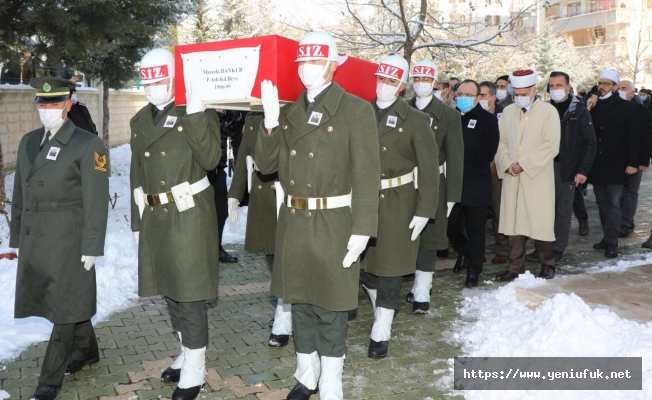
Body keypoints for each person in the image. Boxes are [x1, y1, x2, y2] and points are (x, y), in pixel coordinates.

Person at [256, 31, 380, 400]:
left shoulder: (356, 110)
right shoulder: (291, 110)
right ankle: (306, 375)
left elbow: (367, 175)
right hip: (294, 221)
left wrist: (363, 229)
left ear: (332, 65)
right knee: (300, 303)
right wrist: (269, 122)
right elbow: (265, 166)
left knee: (331, 308)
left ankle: (330, 380)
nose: (305, 69)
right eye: (301, 63)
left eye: (314, 62)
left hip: (334, 222)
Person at [130, 48, 221, 400]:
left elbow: (211, 159)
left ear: (174, 79)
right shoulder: (140, 120)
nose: (153, 88)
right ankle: (186, 353)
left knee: (191, 295)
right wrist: (138, 221)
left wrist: (197, 114)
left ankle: (196, 370)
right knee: (171, 291)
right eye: (147, 81)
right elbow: (138, 173)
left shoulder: (196, 112)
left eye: (160, 80)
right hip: (156, 215)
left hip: (189, 216)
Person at [10, 76, 109, 400]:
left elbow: (96, 198)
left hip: (69, 236)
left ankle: (49, 378)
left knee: (64, 304)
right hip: (38, 237)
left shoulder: (86, 143)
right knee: (70, 301)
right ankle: (86, 350)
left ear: (68, 104)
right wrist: (17, 236)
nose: (47, 108)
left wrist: (93, 244)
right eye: (42, 102)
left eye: (54, 103)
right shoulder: (27, 142)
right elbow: (21, 193)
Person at [360, 55, 438, 359]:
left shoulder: (416, 120)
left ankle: (383, 324)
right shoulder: (360, 113)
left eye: (391, 81)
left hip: (398, 201)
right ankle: (382, 304)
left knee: (390, 267)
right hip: (363, 198)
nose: (384, 86)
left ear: (402, 86)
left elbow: (429, 170)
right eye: (381, 79)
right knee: (364, 266)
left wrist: (424, 209)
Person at [405, 59, 463, 313]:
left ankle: (421, 290)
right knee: (404, 235)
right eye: (416, 79)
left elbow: (455, 156)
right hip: (405, 183)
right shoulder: (401, 109)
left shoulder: (449, 115)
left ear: (435, 84)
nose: (420, 84)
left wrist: (452, 195)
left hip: (434, 182)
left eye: (425, 80)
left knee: (428, 238)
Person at [226, 113, 289, 348]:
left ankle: (286, 313)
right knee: (273, 258)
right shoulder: (254, 118)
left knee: (289, 257)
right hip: (264, 195)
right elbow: (245, 155)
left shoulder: (295, 111)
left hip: (290, 196)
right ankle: (285, 308)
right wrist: (235, 193)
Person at [494, 69, 561, 281]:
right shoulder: (508, 112)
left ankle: (547, 264)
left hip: (537, 175)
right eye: (517, 94)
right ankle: (515, 267)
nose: (520, 97)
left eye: (524, 93)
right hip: (512, 175)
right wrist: (507, 164)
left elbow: (551, 145)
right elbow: (500, 141)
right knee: (514, 223)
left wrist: (523, 164)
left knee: (540, 221)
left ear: (534, 91)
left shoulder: (549, 112)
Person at [525, 71, 596, 265]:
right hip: (543, 167)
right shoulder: (542, 109)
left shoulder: (578, 110)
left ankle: (557, 249)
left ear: (568, 87)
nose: (555, 89)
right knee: (542, 211)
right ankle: (541, 247)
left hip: (567, 169)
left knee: (562, 211)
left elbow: (590, 143)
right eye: (552, 86)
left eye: (559, 85)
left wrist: (582, 171)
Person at [447, 79, 499, 287]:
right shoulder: (450, 118)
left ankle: (474, 268)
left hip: (476, 182)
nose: (464, 98)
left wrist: (459, 152)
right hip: (452, 181)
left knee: (477, 228)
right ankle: (465, 251)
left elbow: (488, 152)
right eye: (461, 94)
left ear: (479, 98)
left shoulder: (488, 120)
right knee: (449, 225)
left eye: (469, 95)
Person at [587, 70, 639, 258]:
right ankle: (607, 236)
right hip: (597, 164)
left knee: (613, 204)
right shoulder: (594, 105)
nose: (602, 87)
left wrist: (634, 162)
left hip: (617, 164)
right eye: (600, 83)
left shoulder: (626, 107)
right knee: (601, 203)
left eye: (607, 84)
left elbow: (635, 138)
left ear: (615, 86)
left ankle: (612, 242)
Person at [616, 79, 651, 238]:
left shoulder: (642, 111)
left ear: (632, 91)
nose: (620, 91)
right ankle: (623, 220)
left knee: (630, 192)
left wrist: (643, 160)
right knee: (617, 193)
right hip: (617, 158)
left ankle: (626, 222)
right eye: (618, 88)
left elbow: (646, 137)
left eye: (624, 88)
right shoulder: (613, 108)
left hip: (635, 159)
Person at [208, 110, 239, 264]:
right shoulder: (202, 112)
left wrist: (230, 114)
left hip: (218, 169)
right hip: (202, 171)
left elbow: (231, 131)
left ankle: (216, 248)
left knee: (221, 212)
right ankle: (207, 250)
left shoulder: (222, 115)